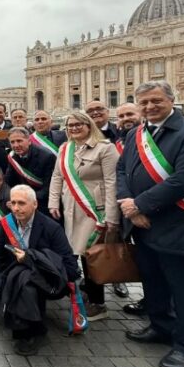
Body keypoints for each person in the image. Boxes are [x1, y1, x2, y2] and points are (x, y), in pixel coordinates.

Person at [117, 81, 184, 367]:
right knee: (153, 281)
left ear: (171, 100)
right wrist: (129, 207)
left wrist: (140, 205)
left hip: (177, 223)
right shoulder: (137, 132)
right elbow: (122, 170)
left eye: (156, 101)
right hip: (142, 224)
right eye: (144, 102)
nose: (149, 107)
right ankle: (160, 327)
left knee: (182, 289)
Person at [0, 185, 78, 356]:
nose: (16, 208)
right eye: (13, 203)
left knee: (26, 283)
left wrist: (31, 259)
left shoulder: (52, 228)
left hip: (44, 278)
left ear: (35, 204)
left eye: (21, 203)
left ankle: (31, 330)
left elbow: (71, 268)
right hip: (13, 271)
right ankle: (17, 306)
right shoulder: (8, 222)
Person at [48, 110, 119, 322]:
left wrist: (111, 216)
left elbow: (112, 182)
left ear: (89, 126)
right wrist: (53, 202)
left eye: (79, 124)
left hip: (94, 210)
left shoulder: (105, 148)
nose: (74, 128)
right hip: (70, 208)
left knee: (92, 255)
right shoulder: (65, 148)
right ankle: (86, 292)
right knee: (74, 252)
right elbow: (57, 176)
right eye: (70, 125)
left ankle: (98, 303)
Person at [114, 102, 144, 309]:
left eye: (130, 114)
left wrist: (139, 205)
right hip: (122, 204)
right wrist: (126, 201)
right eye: (121, 116)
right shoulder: (119, 140)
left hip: (147, 209)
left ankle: (156, 304)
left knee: (150, 257)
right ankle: (118, 277)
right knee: (119, 247)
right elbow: (121, 172)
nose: (126, 118)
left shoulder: (149, 139)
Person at [4, 127, 56, 213]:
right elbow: (9, 180)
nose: (16, 145)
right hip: (21, 200)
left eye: (19, 141)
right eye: (12, 142)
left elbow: (48, 188)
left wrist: (25, 198)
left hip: (42, 203)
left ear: (29, 141)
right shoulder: (13, 156)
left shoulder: (46, 156)